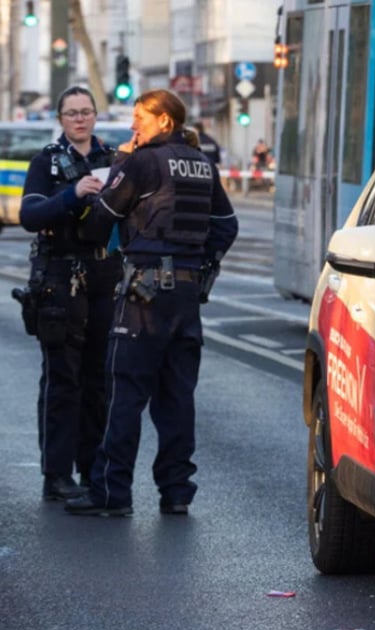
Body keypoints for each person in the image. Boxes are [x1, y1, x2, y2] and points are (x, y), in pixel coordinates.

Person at [65, 89, 238, 517]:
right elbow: (226, 225)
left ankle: (112, 492)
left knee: (124, 392)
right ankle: (176, 491)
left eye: (140, 117)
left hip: (143, 294)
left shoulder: (142, 162)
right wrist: (201, 264)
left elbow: (101, 218)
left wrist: (119, 165)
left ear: (164, 121)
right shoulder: (201, 163)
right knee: (177, 397)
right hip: (185, 295)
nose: (132, 125)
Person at [17, 86, 121, 501]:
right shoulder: (46, 162)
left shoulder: (112, 160)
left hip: (104, 275)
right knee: (62, 378)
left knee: (99, 379)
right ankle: (56, 474)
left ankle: (94, 468)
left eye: (86, 112)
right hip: (60, 278)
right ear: (60, 119)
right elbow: (29, 214)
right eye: (72, 113)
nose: (80, 119)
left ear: (95, 116)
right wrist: (71, 194)